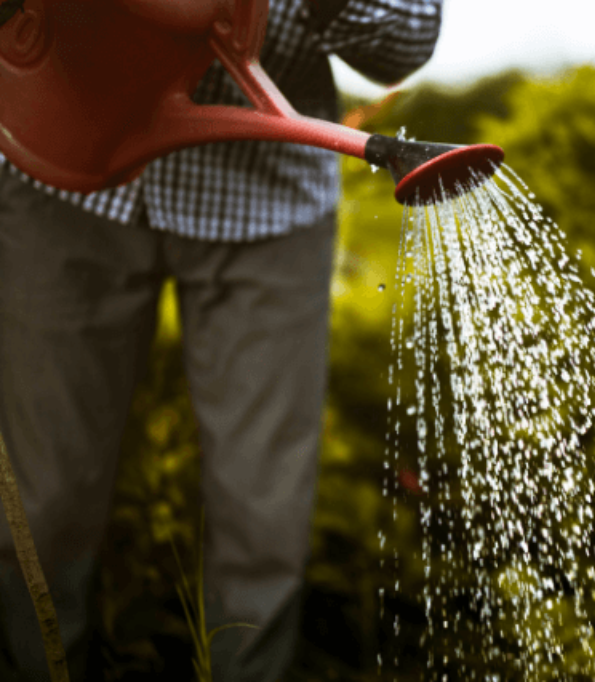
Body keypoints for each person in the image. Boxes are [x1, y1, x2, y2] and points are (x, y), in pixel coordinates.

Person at [0, 0, 442, 680]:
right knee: (43, 507)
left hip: (265, 195)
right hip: (60, 162)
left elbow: (408, 35)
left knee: (261, 519)